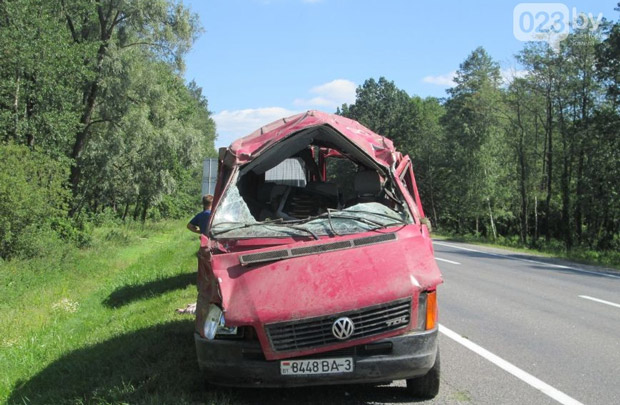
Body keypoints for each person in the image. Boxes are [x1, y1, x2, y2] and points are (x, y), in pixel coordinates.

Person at [177, 194, 213, 315]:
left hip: (203, 243)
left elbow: (189, 225)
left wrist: (199, 231)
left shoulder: (201, 215)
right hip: (213, 242)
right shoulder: (214, 214)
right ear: (212, 203)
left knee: (203, 265)